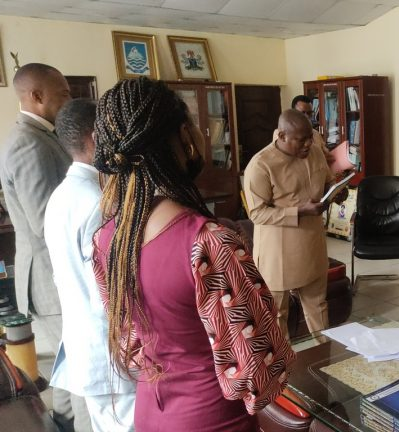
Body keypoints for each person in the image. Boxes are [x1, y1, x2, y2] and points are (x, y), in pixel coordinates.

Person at [92, 77, 294, 432]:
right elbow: (259, 365)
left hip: (151, 412)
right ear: (185, 136)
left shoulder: (107, 239)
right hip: (212, 418)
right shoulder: (208, 242)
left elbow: (129, 342)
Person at [45, 99, 136, 431]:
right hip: (110, 350)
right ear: (98, 138)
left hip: (87, 346)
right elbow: (112, 292)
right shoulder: (99, 203)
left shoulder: (61, 196)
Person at [0, 62, 77, 430]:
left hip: (55, 274)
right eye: (63, 94)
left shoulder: (43, 136)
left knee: (69, 366)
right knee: (76, 366)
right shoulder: (28, 143)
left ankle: (63, 424)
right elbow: (47, 221)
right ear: (36, 96)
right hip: (51, 277)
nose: (68, 100)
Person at [244, 109, 340, 338]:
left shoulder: (315, 152)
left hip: (312, 245)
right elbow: (257, 213)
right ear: (282, 136)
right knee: (277, 314)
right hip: (278, 253)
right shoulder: (260, 165)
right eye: (301, 140)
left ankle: (323, 355)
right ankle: (283, 360)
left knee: (318, 306)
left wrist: (336, 191)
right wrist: (299, 212)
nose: (308, 144)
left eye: (310, 138)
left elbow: (328, 180)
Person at [273, 95, 334, 165]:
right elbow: (284, 160)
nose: (306, 117)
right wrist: (318, 158)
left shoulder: (316, 133)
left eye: (309, 113)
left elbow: (325, 153)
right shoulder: (283, 134)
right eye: (302, 113)